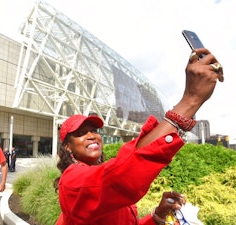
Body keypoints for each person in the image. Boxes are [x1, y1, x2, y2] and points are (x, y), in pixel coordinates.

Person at [54, 48, 223, 225]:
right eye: (81, 134)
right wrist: (190, 100)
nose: (91, 136)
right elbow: (121, 178)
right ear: (67, 146)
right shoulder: (72, 180)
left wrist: (157, 215)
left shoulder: (98, 174)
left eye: (94, 131)